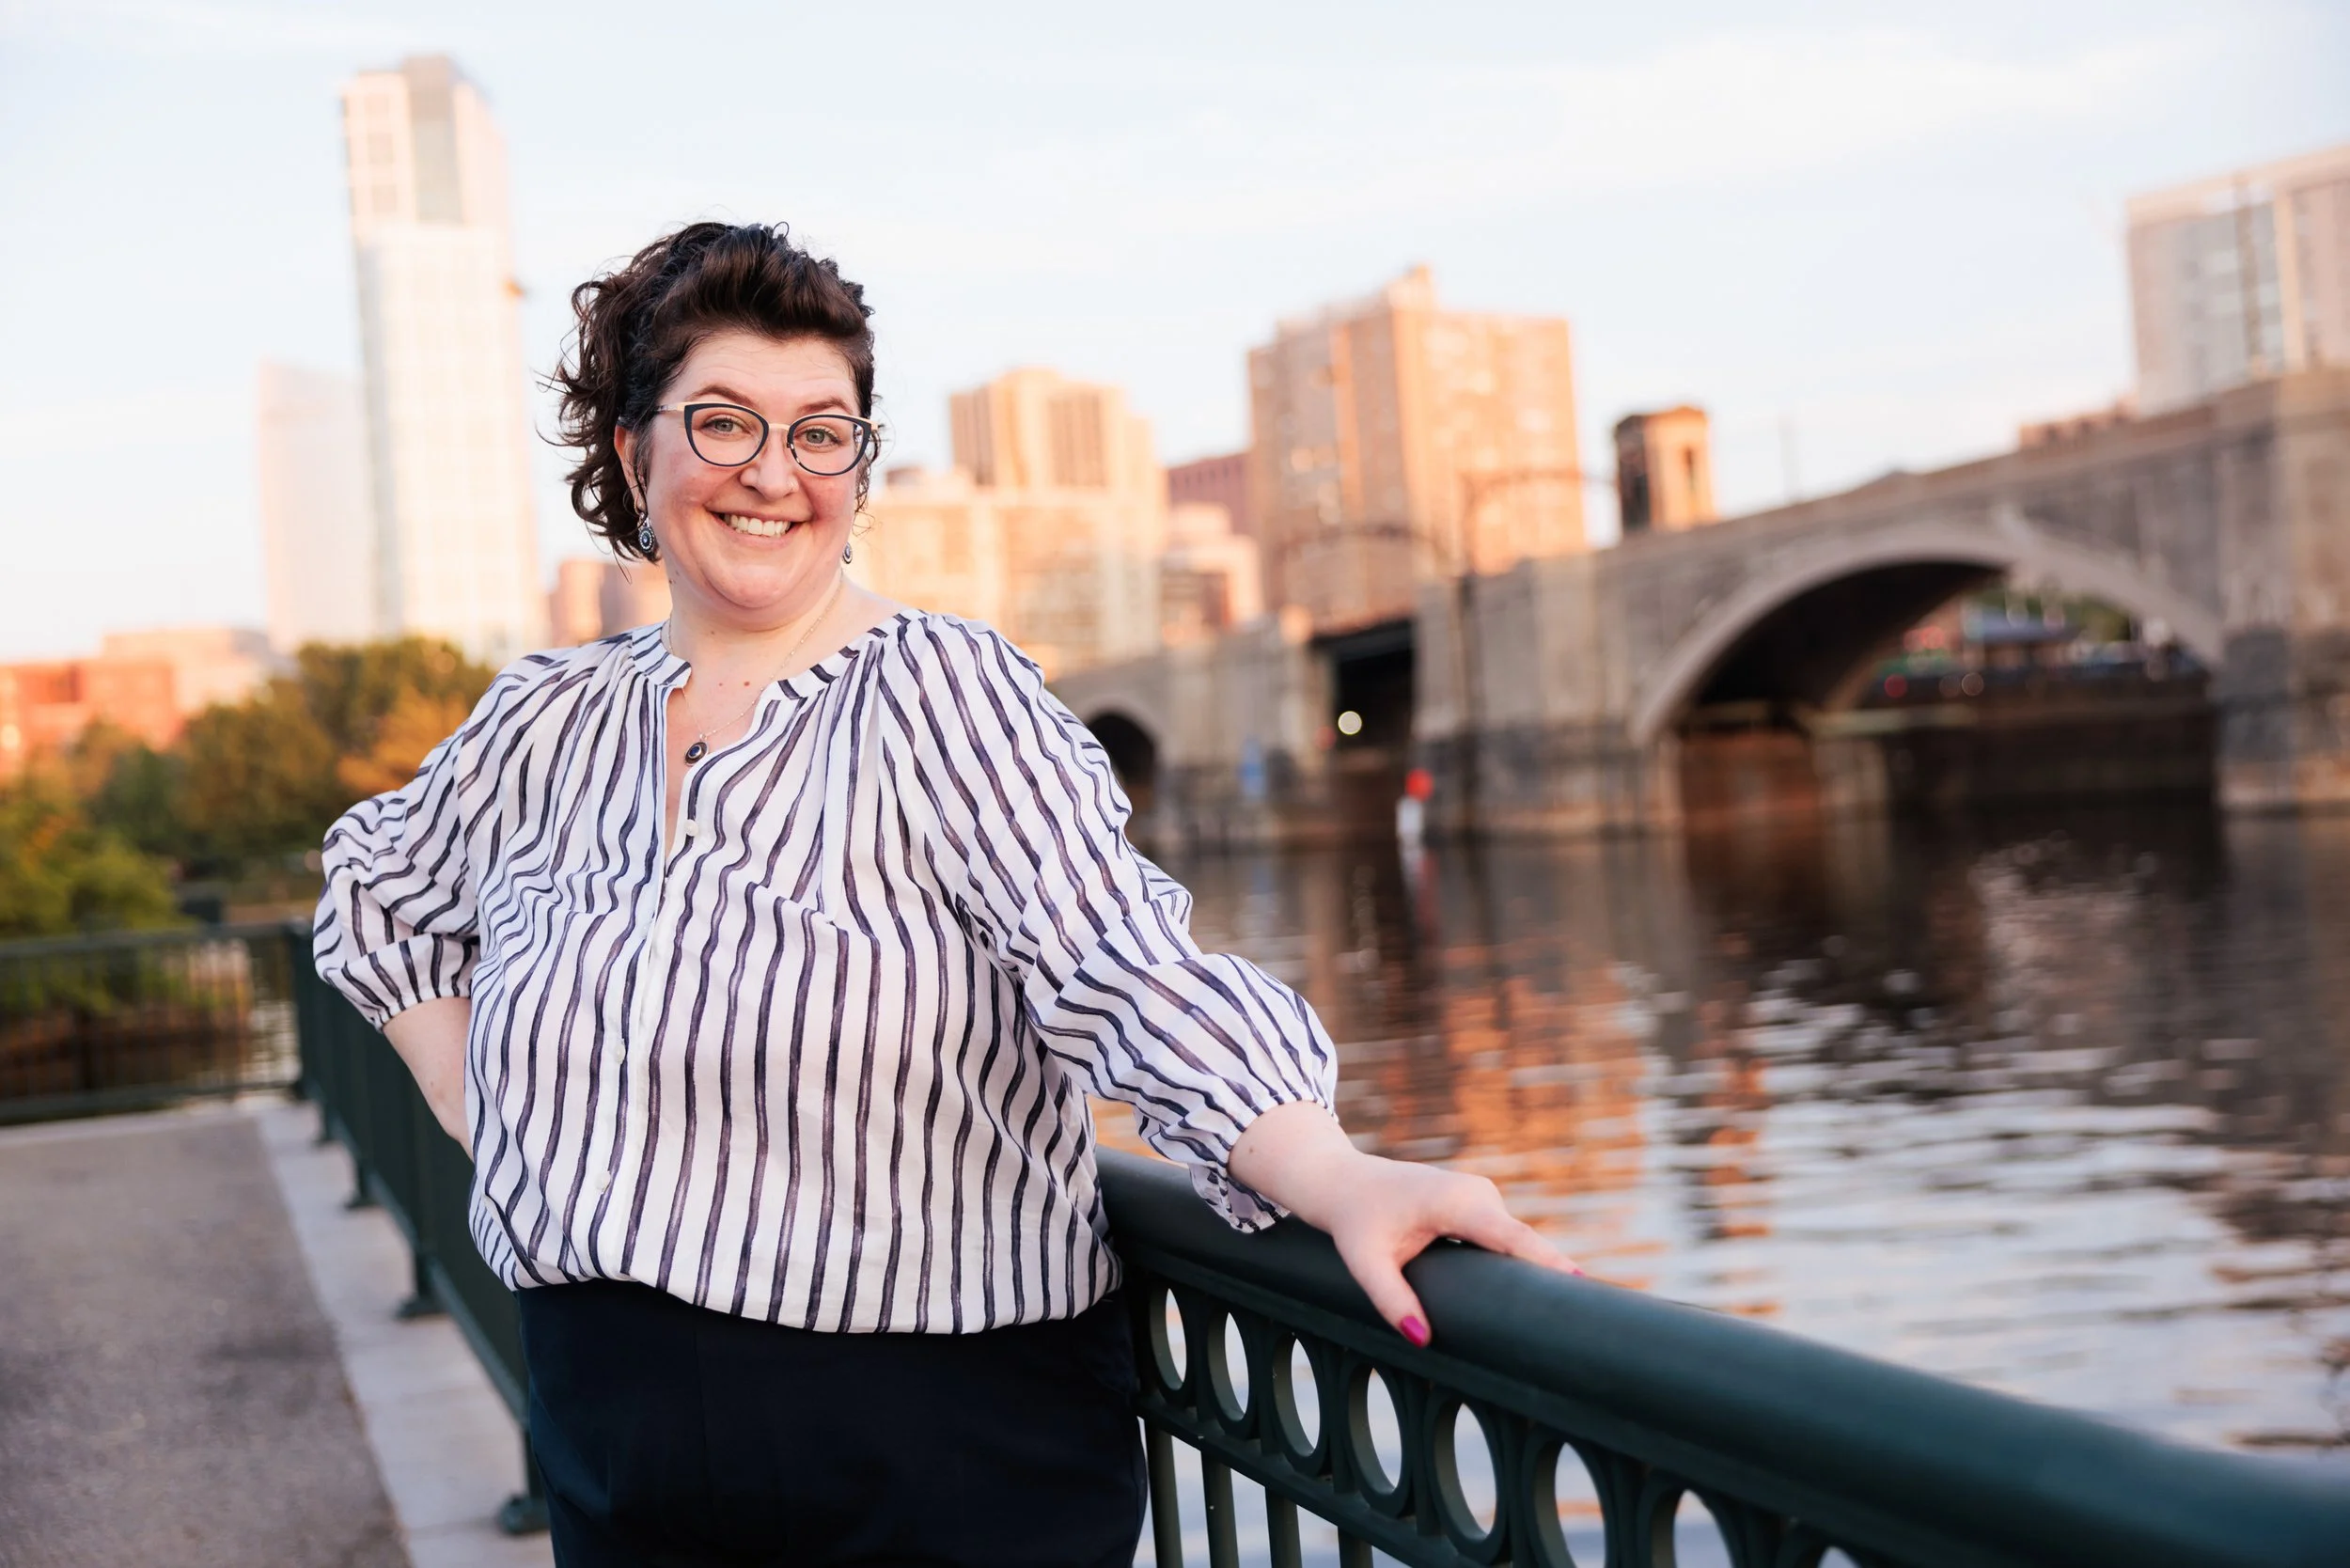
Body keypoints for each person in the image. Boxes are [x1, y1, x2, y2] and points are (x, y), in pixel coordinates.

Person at [314, 221, 1574, 1568]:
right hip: (615, 1456)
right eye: (725, 421)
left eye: (821, 434)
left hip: (930, 1464)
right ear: (636, 454)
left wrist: (1330, 1170)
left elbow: (1121, 965)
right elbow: (376, 893)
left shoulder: (943, 695)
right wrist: (491, 1113)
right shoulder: (546, 721)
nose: (773, 474)